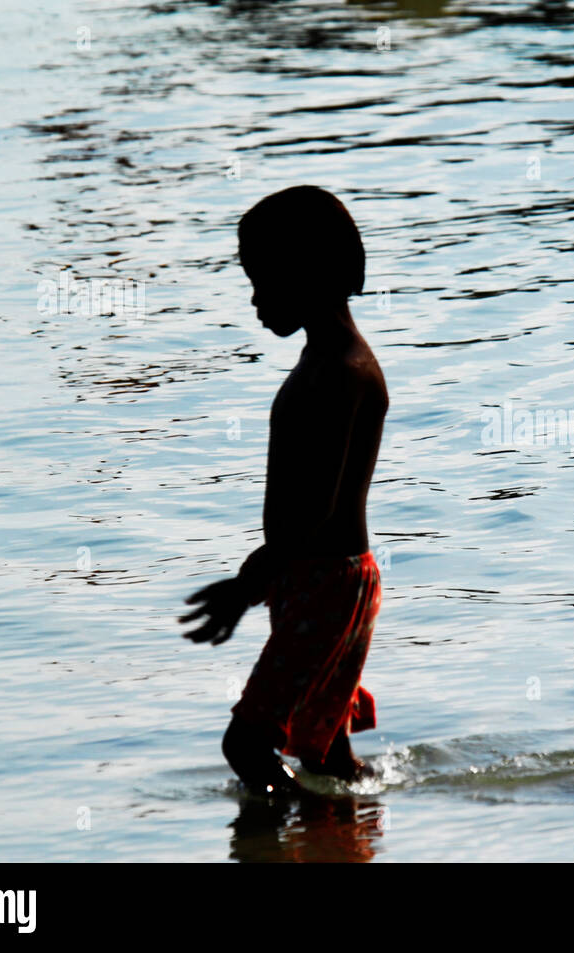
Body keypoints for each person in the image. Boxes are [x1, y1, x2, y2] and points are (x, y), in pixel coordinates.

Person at [180, 186, 388, 793]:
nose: (254, 299)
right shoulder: (334, 361)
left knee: (246, 745)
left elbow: (312, 518)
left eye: (264, 280)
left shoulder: (334, 375)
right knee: (324, 753)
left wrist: (246, 585)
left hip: (322, 581)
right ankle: (345, 835)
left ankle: (295, 837)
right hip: (324, 580)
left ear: (309, 273)